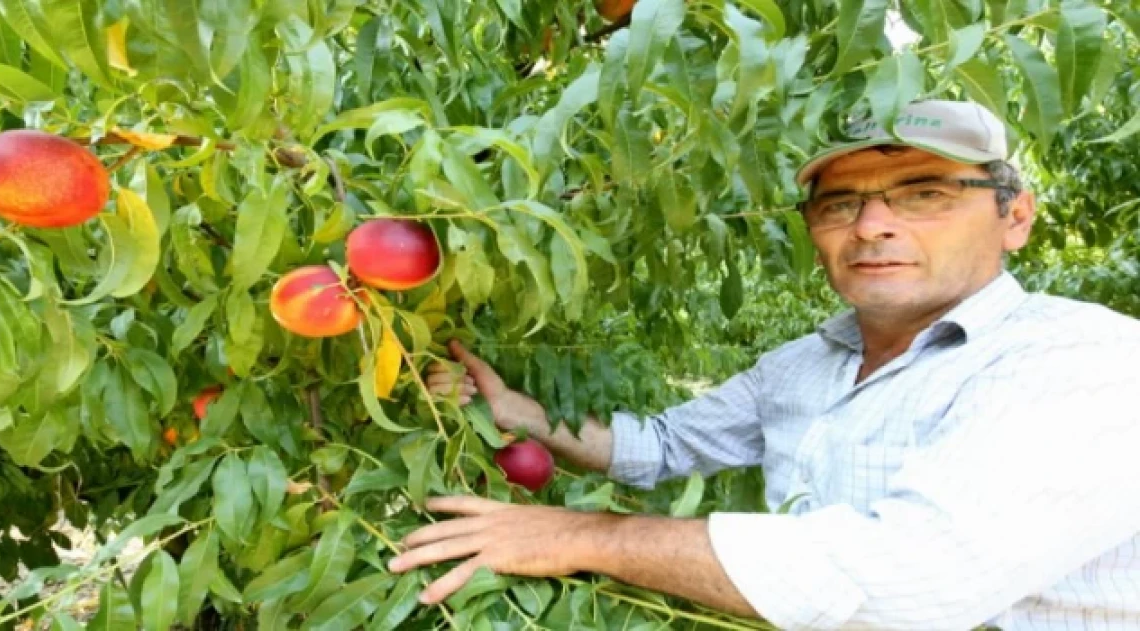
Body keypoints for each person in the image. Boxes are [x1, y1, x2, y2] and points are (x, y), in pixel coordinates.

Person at [387, 100, 1140, 630]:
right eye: (839, 204)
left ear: (1015, 216)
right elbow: (659, 444)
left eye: (925, 193)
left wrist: (581, 535)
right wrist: (520, 413)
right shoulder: (803, 364)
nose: (873, 226)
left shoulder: (1081, 358)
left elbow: (916, 577)